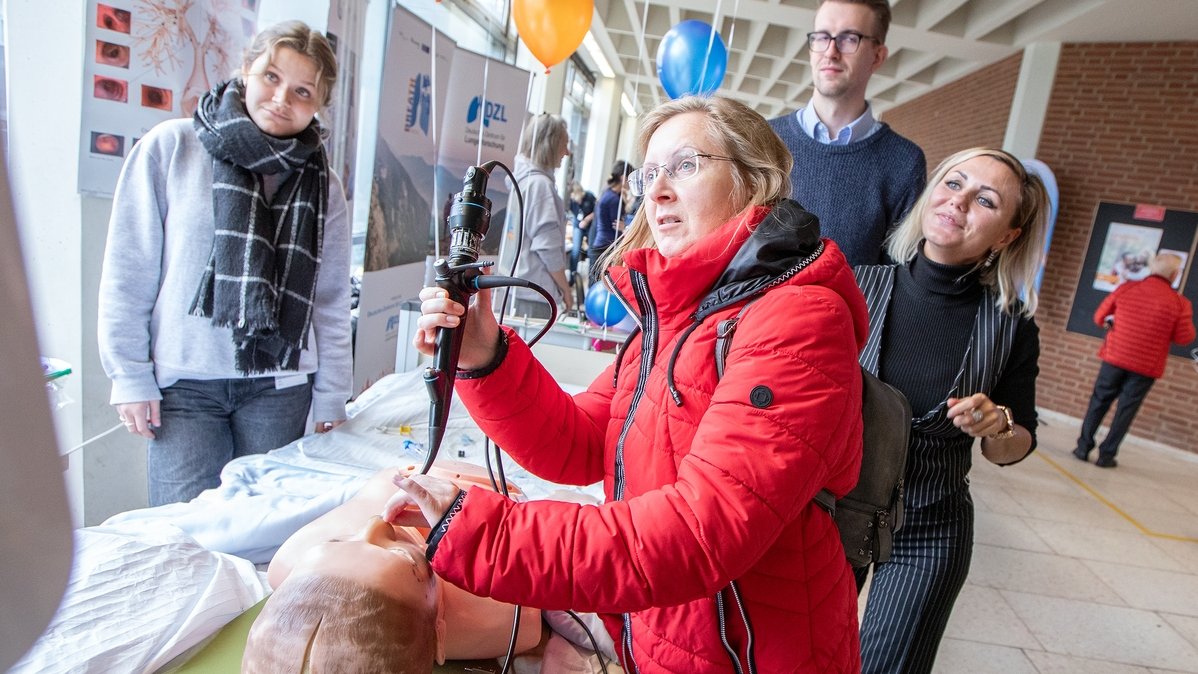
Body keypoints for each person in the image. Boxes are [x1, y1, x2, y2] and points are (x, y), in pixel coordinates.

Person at [391, 95, 868, 673]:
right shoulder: (676, 322)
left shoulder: (798, 320)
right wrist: (483, 355)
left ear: (753, 181)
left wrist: (482, 535)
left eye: (685, 165)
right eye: (650, 173)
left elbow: (699, 530)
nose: (658, 191)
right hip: (669, 635)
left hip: (755, 653)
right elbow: (582, 442)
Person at [97, 20, 352, 506]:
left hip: (280, 387)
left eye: (302, 91)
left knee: (266, 538)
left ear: (319, 104)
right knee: (182, 535)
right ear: (245, 71)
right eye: (271, 78)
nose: (282, 99)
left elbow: (331, 299)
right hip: (185, 387)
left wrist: (332, 395)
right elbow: (130, 271)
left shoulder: (324, 183)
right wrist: (129, 375)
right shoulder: (172, 147)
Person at [853, 147, 1049, 674]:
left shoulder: (1010, 325)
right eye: (953, 183)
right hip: (832, 510)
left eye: (984, 200)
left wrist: (998, 424)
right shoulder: (854, 287)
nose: (958, 202)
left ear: (1007, 235)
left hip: (930, 525)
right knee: (795, 655)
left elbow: (1016, 445)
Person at [242, 463, 543, 672]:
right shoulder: (505, 615)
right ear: (440, 629)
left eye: (335, 542)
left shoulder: (289, 561)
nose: (375, 525)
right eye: (403, 557)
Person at [768, 0, 926, 266]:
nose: (830, 51)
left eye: (848, 38)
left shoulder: (905, 162)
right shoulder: (764, 137)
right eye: (822, 37)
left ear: (877, 57)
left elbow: (896, 274)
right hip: (758, 308)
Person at [1073, 253, 1195, 468]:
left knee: (1099, 401)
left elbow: (1099, 317)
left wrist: (1112, 324)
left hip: (1115, 357)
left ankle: (1083, 447)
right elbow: (1184, 338)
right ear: (1175, 275)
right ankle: (1106, 456)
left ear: (1152, 268)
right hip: (1146, 367)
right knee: (1125, 411)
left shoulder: (1127, 288)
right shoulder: (1180, 303)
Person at [502, 113, 574, 320]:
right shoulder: (540, 186)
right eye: (564, 144)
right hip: (534, 292)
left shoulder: (523, 182)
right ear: (551, 144)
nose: (566, 152)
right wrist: (565, 290)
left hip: (517, 285)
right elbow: (547, 248)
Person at [587, 159, 631, 286]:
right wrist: (625, 228)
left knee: (594, 285)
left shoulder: (607, 193)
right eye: (629, 178)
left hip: (600, 245)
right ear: (623, 178)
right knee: (599, 286)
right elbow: (617, 225)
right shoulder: (614, 199)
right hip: (605, 248)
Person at [567, 181, 597, 289]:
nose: (574, 198)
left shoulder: (589, 196)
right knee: (575, 251)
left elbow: (596, 211)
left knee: (591, 252)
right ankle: (572, 276)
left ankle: (591, 279)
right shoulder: (572, 201)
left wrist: (586, 220)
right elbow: (575, 214)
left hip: (589, 225)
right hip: (578, 225)